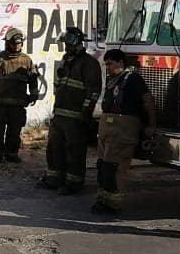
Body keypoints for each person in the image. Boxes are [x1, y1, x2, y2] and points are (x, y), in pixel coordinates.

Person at [91, 50, 157, 216]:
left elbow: (148, 101)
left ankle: (113, 204)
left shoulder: (133, 79)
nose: (108, 68)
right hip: (107, 127)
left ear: (120, 63)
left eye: (110, 64)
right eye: (106, 64)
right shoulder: (113, 80)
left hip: (123, 128)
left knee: (115, 167)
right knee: (103, 165)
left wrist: (151, 125)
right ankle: (103, 199)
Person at [39, 27, 102, 194]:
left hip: (75, 116)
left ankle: (73, 183)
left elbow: (93, 91)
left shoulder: (89, 64)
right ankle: (54, 178)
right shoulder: (66, 61)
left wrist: (85, 113)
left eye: (68, 44)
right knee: (54, 147)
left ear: (78, 43)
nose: (66, 47)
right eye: (65, 44)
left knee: (74, 150)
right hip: (60, 114)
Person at [0, 28, 38, 163]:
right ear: (8, 43)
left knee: (14, 131)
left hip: (17, 104)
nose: (17, 46)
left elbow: (33, 79)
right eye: (14, 43)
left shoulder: (26, 61)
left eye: (19, 43)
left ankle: (11, 154)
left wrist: (33, 95)